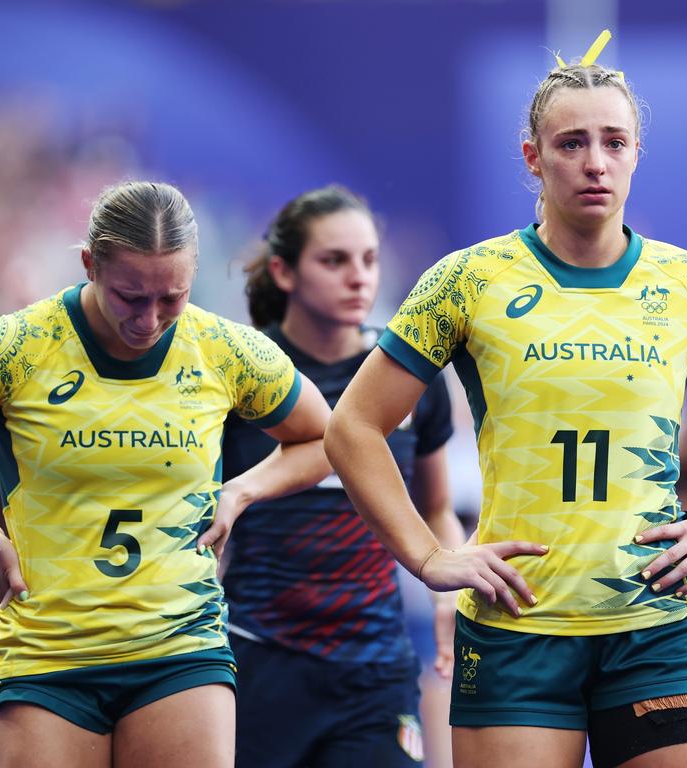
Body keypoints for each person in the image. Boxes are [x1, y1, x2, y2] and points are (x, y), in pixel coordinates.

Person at [323, 30, 687, 768]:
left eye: (614, 141)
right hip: (517, 629)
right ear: (532, 157)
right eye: (571, 143)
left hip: (656, 628)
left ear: (637, 152)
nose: (595, 162)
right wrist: (430, 557)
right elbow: (352, 427)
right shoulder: (468, 282)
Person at [0, 181, 332, 768]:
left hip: (180, 648)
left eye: (172, 297)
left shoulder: (225, 349)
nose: (150, 319)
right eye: (129, 296)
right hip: (48, 654)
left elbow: (327, 437)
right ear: (90, 264)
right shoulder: (12, 346)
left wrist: (242, 490)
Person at [220, 185, 465, 767]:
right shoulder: (239, 375)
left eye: (369, 259)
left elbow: (436, 508)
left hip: (374, 671)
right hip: (258, 660)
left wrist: (449, 591)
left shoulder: (408, 373)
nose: (359, 278)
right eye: (334, 260)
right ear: (283, 271)